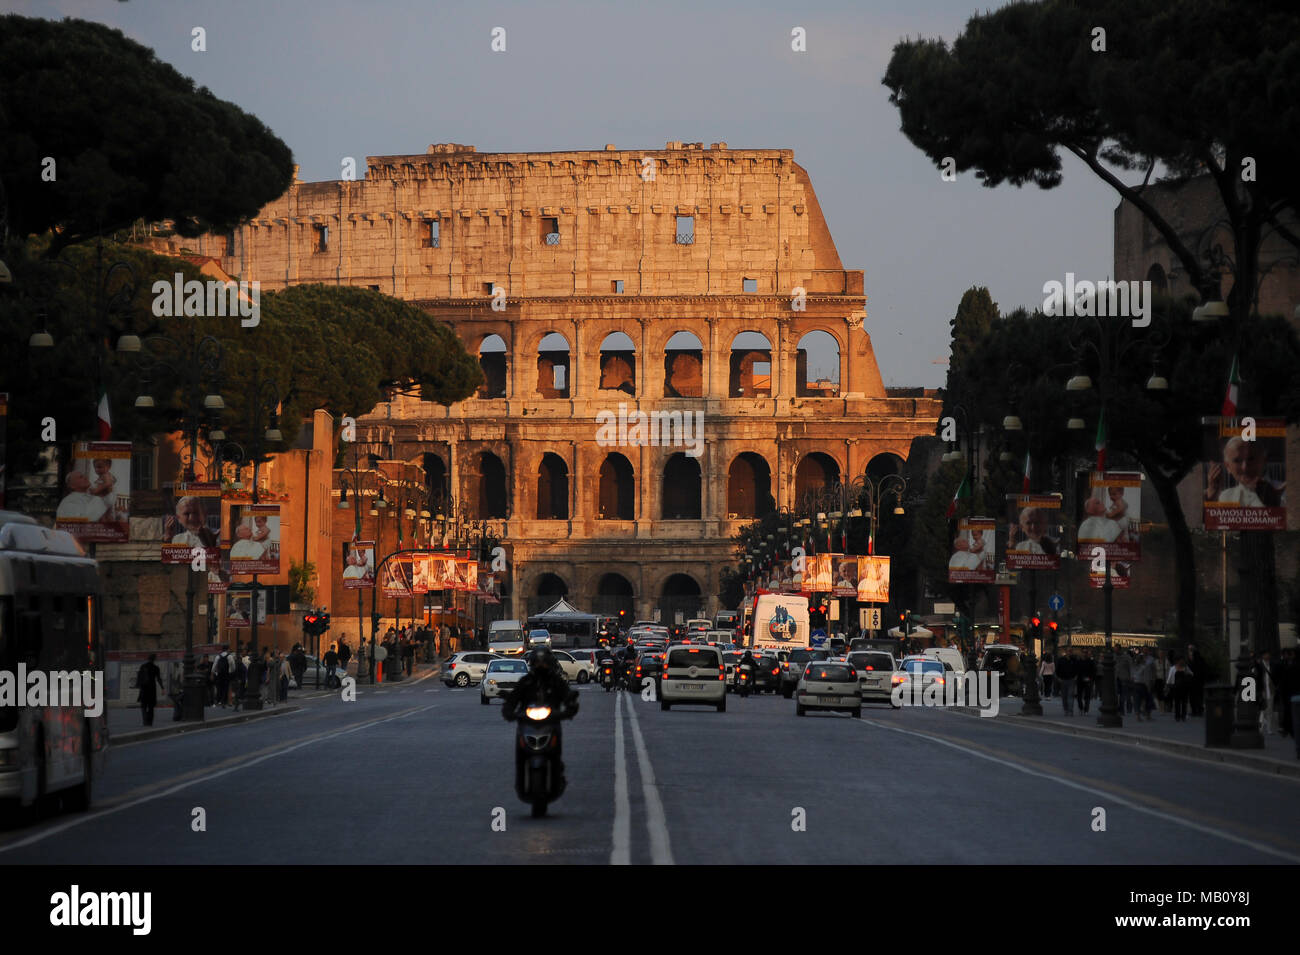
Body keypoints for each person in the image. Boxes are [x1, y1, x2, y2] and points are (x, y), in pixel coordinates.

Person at [501, 647, 579, 799]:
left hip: (551, 722)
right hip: (527, 724)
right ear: (532, 663)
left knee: (556, 751)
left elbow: (567, 696)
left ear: (549, 664)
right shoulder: (526, 682)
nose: (540, 666)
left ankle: (558, 772)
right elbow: (514, 698)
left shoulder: (556, 682)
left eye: (543, 663)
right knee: (520, 752)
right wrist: (509, 710)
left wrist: (570, 706)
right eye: (537, 663)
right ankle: (520, 778)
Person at [1206, 437, 1284, 507]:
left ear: (1264, 460)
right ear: (1227, 467)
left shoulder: (1284, 493)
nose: (1245, 467)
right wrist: (1212, 498)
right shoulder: (1224, 497)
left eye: (1251, 459)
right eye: (1237, 461)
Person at [136, 653, 165, 726]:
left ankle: (145, 720)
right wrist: (162, 688)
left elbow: (139, 677)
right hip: (152, 688)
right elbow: (158, 679)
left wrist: (139, 686)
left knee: (143, 705)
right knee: (151, 706)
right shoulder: (156, 668)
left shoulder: (143, 666)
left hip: (144, 688)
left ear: (148, 658)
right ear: (154, 659)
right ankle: (150, 721)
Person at [1169, 656, 1192, 721]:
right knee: (1177, 703)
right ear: (1177, 661)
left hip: (1184, 688)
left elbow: (1191, 674)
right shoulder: (1173, 668)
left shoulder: (1186, 668)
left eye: (1182, 660)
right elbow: (1170, 677)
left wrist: (1187, 676)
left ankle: (1183, 716)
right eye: (1180, 660)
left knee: (1184, 703)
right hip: (1176, 688)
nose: (1181, 662)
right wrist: (1168, 685)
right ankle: (1177, 716)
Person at [1056, 650, 1077, 715]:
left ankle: (1070, 710)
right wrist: (1059, 678)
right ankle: (1066, 709)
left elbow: (1077, 669)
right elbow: (1057, 670)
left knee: (1070, 696)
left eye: (1071, 652)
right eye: (1068, 651)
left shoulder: (1074, 660)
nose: (1070, 653)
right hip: (1063, 680)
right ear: (1066, 652)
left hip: (1071, 680)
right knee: (1064, 696)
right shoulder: (1061, 660)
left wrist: (1076, 677)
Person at [1076, 650, 1096, 714]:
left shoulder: (1090, 661)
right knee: (1079, 695)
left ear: (1087, 654)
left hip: (1088, 680)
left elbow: (1093, 671)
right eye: (1083, 653)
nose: (1084, 654)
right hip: (1080, 680)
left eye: (1085, 653)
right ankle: (1081, 707)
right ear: (1081, 654)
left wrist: (1090, 678)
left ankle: (1086, 709)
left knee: (1087, 696)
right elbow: (1076, 670)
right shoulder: (1079, 661)